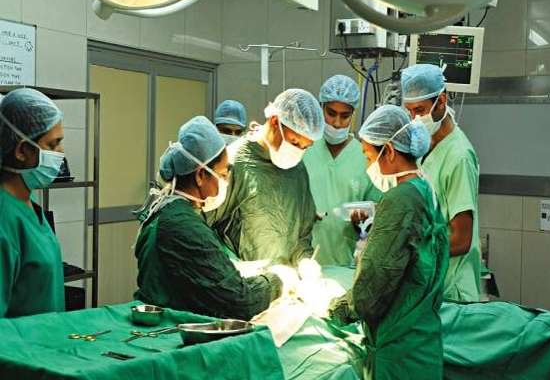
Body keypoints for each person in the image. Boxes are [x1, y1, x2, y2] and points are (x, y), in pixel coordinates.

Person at [329, 105, 449, 380]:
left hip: (398, 352)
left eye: (368, 156)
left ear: (390, 151)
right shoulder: (425, 188)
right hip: (423, 343)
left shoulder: (399, 199)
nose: (368, 165)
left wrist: (337, 309)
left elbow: (372, 286)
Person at [134, 116, 284, 320]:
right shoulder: (183, 224)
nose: (225, 182)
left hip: (162, 318)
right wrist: (278, 280)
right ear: (200, 175)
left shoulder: (170, 210)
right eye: (222, 174)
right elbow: (240, 301)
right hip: (168, 326)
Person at [209, 89, 324, 266]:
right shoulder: (234, 163)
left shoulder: (298, 170)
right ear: (274, 121)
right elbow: (205, 230)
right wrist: (237, 268)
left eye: (305, 147)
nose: (297, 151)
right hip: (240, 280)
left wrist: (304, 263)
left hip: (286, 280)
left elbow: (302, 235)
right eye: (294, 142)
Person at [402, 63, 481, 302]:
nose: (415, 118)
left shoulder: (458, 156)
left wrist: (412, 255)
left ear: (442, 101)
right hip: (429, 286)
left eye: (420, 110)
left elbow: (462, 240)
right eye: (409, 111)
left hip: (451, 290)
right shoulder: (422, 147)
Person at [0, 88, 66, 318]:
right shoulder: (4, 218)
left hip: (48, 338)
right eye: (53, 145)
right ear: (21, 150)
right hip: (21, 343)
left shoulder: (28, 204)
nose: (61, 153)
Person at [303, 75, 381, 265]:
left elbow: (377, 215)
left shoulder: (365, 156)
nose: (337, 123)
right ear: (321, 108)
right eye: (331, 113)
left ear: (353, 114)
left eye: (344, 116)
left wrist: (363, 220)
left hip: (345, 261)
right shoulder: (303, 147)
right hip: (302, 258)